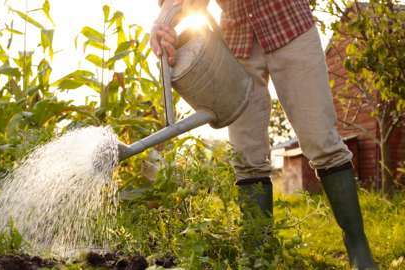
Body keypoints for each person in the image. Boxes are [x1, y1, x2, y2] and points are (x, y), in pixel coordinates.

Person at [151, 0, 378, 269]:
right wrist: (165, 21)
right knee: (247, 156)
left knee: (321, 140)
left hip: (289, 25)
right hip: (237, 40)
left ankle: (357, 245)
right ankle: (259, 256)